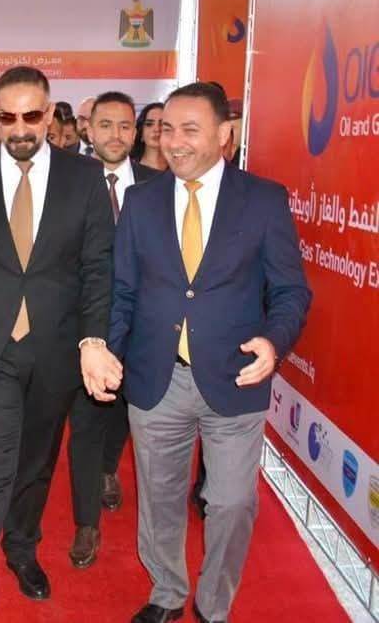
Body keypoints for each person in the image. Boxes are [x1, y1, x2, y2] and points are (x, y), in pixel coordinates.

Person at [0, 66, 119, 623]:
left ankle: (21, 546)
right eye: (6, 117)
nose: (20, 127)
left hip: (55, 350)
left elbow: (98, 269)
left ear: (50, 114)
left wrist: (93, 339)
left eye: (31, 114)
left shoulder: (85, 178)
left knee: (34, 465)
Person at [111, 82, 311, 623]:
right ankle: (167, 592)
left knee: (230, 502)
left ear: (225, 135)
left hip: (235, 377)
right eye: (166, 129)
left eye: (189, 130)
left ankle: (214, 605)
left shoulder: (264, 200)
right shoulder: (140, 201)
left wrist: (273, 340)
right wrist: (110, 352)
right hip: (156, 376)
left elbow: (291, 291)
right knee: (159, 497)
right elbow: (123, 289)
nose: (173, 142)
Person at [64, 92, 159, 569]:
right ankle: (86, 523)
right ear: (89, 129)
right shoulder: (66, 182)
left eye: (125, 126)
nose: (116, 135)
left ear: (136, 132)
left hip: (142, 328)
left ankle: (107, 469)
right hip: (81, 324)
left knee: (122, 410)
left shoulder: (160, 186)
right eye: (105, 125)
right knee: (85, 421)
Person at [131, 102, 167, 171]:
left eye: (162, 124)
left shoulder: (180, 168)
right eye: (149, 124)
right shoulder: (128, 169)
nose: (156, 129)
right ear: (141, 132)